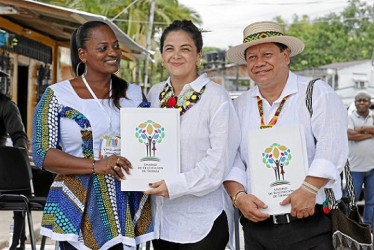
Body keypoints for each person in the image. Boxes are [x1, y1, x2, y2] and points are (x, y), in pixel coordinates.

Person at [224, 21, 348, 249]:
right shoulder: (239, 105)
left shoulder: (316, 93)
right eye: (252, 57)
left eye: (267, 54)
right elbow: (231, 158)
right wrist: (239, 196)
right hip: (258, 227)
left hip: (311, 223)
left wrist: (309, 189)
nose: (259, 63)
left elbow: (333, 147)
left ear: (286, 55)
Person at [32, 21, 153, 250]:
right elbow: (42, 154)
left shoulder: (134, 94)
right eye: (103, 48)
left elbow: (151, 140)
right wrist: (97, 165)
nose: (113, 53)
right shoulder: (57, 96)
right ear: (83, 54)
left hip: (126, 204)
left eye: (115, 46)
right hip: (77, 206)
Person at [144, 20, 241, 250]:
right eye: (169, 49)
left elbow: (218, 164)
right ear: (161, 55)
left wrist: (175, 185)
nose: (176, 55)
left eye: (185, 49)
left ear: (198, 55)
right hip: (162, 221)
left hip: (202, 220)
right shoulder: (155, 94)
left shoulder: (216, 98)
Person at [0, 70, 29, 250]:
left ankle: (18, 241)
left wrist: (19, 160)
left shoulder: (6, 105)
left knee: (21, 187)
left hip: (2, 168)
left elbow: (19, 137)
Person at [347, 91, 374, 232]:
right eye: (359, 100)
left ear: (369, 103)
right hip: (355, 168)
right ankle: (349, 227)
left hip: (373, 167)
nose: (362, 102)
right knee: (351, 200)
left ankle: (369, 227)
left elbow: (355, 132)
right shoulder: (349, 117)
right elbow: (349, 135)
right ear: (355, 103)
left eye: (365, 100)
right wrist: (370, 134)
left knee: (372, 201)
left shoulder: (373, 116)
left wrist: (361, 129)